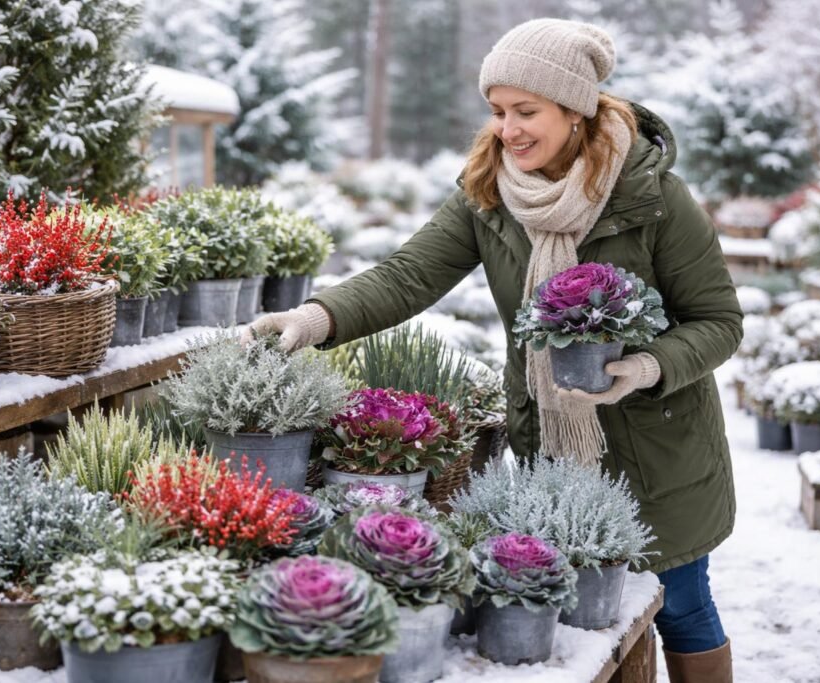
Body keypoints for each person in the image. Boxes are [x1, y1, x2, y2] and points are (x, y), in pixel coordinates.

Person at [247, 18, 740, 683]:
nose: (507, 129)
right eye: (498, 110)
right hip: (554, 448)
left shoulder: (652, 196)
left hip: (660, 452)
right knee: (584, 624)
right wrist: (317, 317)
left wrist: (648, 366)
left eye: (526, 111)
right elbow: (408, 273)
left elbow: (719, 320)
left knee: (679, 605)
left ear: (575, 110)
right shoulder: (490, 190)